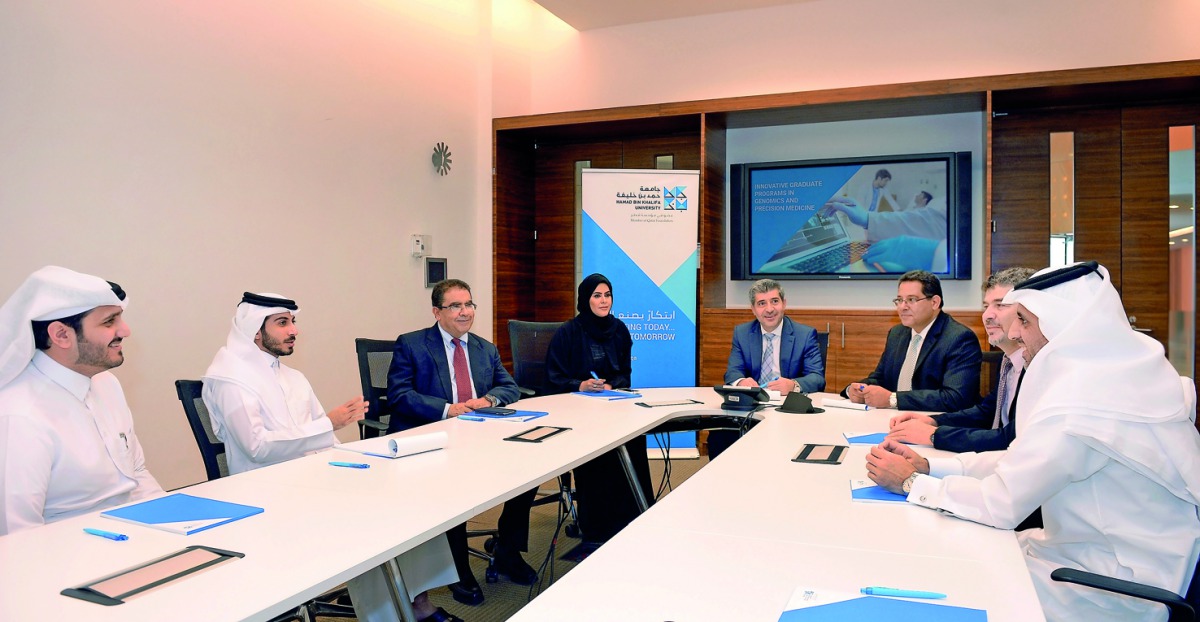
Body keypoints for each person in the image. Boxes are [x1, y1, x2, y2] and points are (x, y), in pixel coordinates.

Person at [865, 262, 1200, 622]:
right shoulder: (1110, 377)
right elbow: (1020, 459)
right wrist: (931, 465)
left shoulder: (1082, 403)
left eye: (1023, 321)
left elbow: (1001, 504)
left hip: (1111, 585)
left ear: (1062, 324)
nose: (1014, 332)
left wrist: (911, 483)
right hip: (1086, 556)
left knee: (944, 581)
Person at [202, 292, 461, 622]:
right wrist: (329, 424)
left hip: (313, 478)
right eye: (282, 323)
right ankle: (390, 611)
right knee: (372, 514)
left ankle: (417, 600)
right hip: (267, 492)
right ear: (255, 330)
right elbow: (257, 447)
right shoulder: (230, 379)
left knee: (405, 493)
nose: (294, 330)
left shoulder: (293, 377)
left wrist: (358, 461)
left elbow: (325, 439)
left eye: (293, 321)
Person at [387, 279, 538, 606]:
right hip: (431, 438)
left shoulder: (485, 348)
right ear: (436, 312)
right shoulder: (412, 345)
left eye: (469, 304)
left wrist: (489, 400)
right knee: (454, 487)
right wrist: (448, 409)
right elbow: (399, 395)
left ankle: (508, 551)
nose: (465, 311)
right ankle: (458, 569)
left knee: (531, 470)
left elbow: (510, 387)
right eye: (455, 305)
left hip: (478, 436)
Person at [0, 266, 162, 535]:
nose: (125, 331)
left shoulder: (106, 383)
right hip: (69, 552)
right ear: (61, 335)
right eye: (109, 322)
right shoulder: (19, 415)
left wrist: (177, 524)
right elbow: (17, 535)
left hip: (137, 537)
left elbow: (137, 474)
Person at [544, 273, 654, 542]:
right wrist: (581, 385)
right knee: (598, 447)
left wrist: (611, 385)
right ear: (586, 299)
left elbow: (625, 374)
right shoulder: (568, 332)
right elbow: (553, 378)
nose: (604, 301)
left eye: (607, 295)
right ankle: (597, 528)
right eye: (597, 296)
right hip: (577, 410)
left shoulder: (620, 330)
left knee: (635, 436)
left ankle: (634, 518)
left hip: (613, 406)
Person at [887, 267, 1036, 452]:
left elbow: (1009, 438)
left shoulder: (1039, 367)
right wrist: (932, 421)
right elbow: (987, 412)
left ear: (1028, 312)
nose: (987, 315)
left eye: (1000, 305)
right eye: (986, 306)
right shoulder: (1008, 361)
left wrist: (934, 435)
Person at [713, 278, 825, 459]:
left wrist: (793, 385)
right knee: (719, 437)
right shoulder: (742, 333)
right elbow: (732, 372)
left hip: (788, 410)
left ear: (784, 303)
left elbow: (817, 378)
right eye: (762, 303)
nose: (769, 309)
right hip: (753, 408)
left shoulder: (804, 334)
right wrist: (741, 382)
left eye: (774, 301)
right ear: (753, 309)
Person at [843, 270, 980, 412]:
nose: (903, 307)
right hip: (893, 417)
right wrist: (855, 390)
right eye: (899, 300)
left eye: (911, 300)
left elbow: (955, 398)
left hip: (935, 421)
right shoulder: (897, 333)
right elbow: (881, 379)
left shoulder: (959, 338)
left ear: (934, 302)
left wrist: (893, 399)